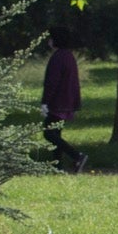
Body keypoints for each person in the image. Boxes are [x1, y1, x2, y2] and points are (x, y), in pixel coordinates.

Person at [41, 25, 87, 173]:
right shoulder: (68, 56)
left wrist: (45, 102)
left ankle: (77, 156)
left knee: (49, 133)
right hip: (67, 100)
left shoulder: (58, 57)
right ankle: (57, 166)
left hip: (58, 102)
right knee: (56, 133)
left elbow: (52, 82)